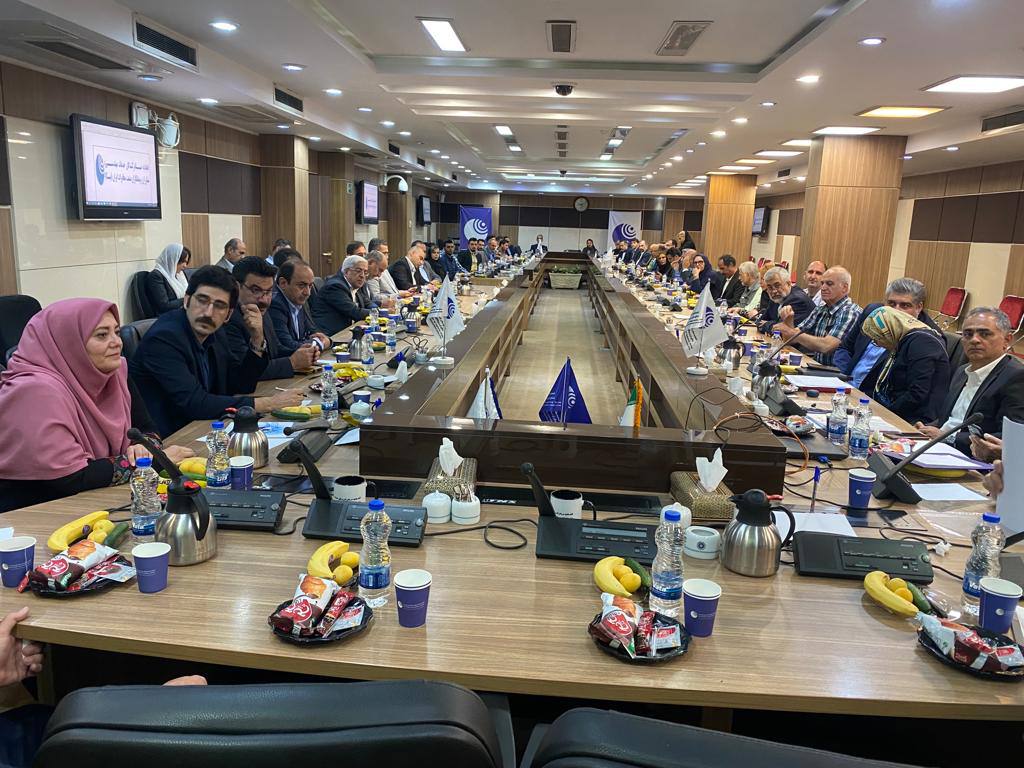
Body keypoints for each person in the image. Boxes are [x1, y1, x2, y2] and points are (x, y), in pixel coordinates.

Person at [0, 299, 195, 513]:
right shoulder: (35, 391)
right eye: (102, 335)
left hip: (96, 501)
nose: (117, 343)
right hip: (34, 514)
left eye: (117, 332)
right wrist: (154, 461)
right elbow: (71, 477)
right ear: (70, 343)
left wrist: (143, 448)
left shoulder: (114, 372)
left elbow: (147, 429)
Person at [130, 266, 302, 437]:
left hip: (204, 428)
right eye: (202, 300)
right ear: (186, 300)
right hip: (171, 437)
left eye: (219, 306)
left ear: (228, 315)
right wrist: (268, 403)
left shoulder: (215, 332)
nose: (208, 313)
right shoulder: (164, 338)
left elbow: (240, 384)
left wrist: (257, 339)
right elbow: (195, 403)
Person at [917, 307, 1024, 456]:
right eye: (968, 334)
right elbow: (950, 419)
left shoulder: (1016, 376)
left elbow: (1010, 437)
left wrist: (947, 437)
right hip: (938, 448)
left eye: (984, 334)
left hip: (973, 459)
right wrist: (926, 428)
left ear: (1007, 340)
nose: (974, 340)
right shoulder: (962, 371)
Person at [224, 257, 319, 381]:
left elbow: (275, 350)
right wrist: (292, 362)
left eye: (269, 291)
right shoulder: (228, 319)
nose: (264, 300)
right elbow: (245, 372)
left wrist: (303, 353)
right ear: (237, 287)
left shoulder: (261, 309)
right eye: (256, 290)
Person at [834, 278, 941, 387]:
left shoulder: (927, 337)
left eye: (905, 305)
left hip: (875, 394)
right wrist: (840, 379)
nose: (896, 310)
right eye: (891, 304)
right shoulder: (873, 313)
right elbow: (845, 348)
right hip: (844, 387)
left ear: (918, 307)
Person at [858, 306, 951, 424]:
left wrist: (884, 413)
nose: (876, 343)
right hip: (897, 411)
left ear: (888, 331)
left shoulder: (923, 343)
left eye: (877, 338)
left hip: (917, 420)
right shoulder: (904, 339)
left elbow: (917, 394)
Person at [775, 267, 861, 366]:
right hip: (817, 367)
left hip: (835, 372)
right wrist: (789, 320)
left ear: (844, 288)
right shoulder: (820, 310)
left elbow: (827, 346)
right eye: (822, 283)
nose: (823, 288)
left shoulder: (850, 312)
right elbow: (789, 340)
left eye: (829, 284)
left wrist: (791, 332)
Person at [269, 259, 331, 355]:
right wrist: (321, 344)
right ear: (283, 283)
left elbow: (314, 332)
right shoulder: (275, 304)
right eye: (301, 285)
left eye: (310, 286)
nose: (307, 293)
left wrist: (327, 340)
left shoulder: (298, 300)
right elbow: (288, 346)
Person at [309, 255, 376, 335]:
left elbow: (367, 303)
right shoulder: (336, 286)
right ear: (346, 272)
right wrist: (377, 312)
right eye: (358, 271)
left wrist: (376, 309)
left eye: (365, 272)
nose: (362, 276)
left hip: (346, 331)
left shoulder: (354, 284)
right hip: (331, 335)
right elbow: (355, 312)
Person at [756, 266, 814, 333]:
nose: (774, 291)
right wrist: (773, 324)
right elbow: (759, 322)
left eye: (777, 285)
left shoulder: (797, 300)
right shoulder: (776, 298)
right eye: (770, 287)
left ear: (788, 284)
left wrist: (767, 324)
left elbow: (784, 331)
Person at [145, 243, 191, 316]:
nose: (185, 266)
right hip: (167, 316)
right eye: (182, 262)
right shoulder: (156, 276)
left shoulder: (179, 275)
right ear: (171, 259)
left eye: (186, 262)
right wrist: (188, 299)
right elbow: (164, 306)